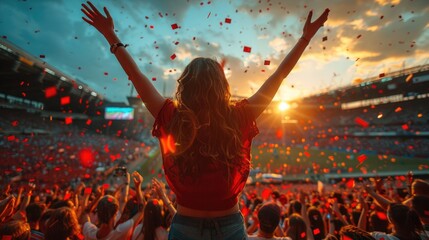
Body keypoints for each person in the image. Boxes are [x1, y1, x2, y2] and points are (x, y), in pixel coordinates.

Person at [81, 2, 329, 239]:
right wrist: (305, 38)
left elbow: (135, 75)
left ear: (185, 87)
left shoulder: (170, 115)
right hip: (230, 225)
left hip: (186, 225)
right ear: (222, 87)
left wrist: (111, 36)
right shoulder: (239, 115)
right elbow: (279, 76)